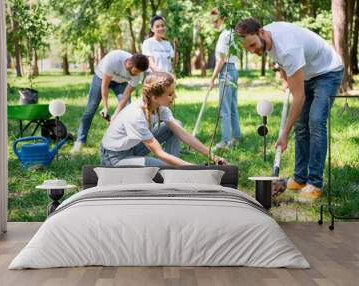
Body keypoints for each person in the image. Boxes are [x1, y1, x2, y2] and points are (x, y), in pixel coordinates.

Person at [235, 18, 343, 202]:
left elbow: (298, 97)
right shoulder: (267, 37)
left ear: (261, 32)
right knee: (301, 125)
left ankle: (315, 184)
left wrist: (284, 133)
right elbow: (283, 63)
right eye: (248, 49)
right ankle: (300, 179)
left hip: (327, 72)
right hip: (307, 73)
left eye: (253, 45)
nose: (253, 51)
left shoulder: (288, 48)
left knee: (315, 122)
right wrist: (286, 78)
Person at [100, 72, 226, 166]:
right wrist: (192, 168)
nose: (175, 96)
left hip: (132, 148)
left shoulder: (160, 107)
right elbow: (158, 153)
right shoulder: (136, 116)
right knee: (160, 166)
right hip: (114, 157)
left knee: (177, 125)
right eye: (170, 94)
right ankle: (173, 170)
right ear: (155, 97)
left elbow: (183, 134)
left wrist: (213, 157)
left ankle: (173, 169)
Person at [71, 50, 149, 154]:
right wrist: (105, 107)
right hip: (101, 77)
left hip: (121, 83)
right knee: (91, 108)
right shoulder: (113, 59)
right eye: (135, 71)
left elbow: (126, 96)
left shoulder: (138, 74)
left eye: (139, 73)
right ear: (130, 63)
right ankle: (80, 141)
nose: (136, 74)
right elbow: (104, 86)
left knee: (127, 108)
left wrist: (115, 115)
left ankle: (123, 144)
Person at [209, 8, 241, 151]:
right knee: (233, 106)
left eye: (215, 21)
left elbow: (221, 60)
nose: (214, 24)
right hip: (234, 70)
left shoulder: (224, 35)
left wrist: (212, 78)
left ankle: (226, 141)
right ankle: (236, 138)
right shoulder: (233, 33)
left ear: (223, 18)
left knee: (225, 108)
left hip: (226, 71)